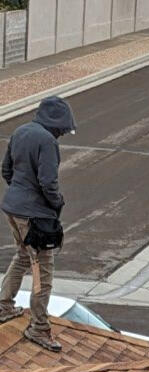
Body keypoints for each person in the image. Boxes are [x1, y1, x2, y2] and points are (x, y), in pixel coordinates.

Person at [0, 96, 76, 352]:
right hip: (34, 215)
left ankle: (3, 305)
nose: (62, 135)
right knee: (43, 269)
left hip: (12, 208)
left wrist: (20, 195)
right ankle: (39, 328)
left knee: (22, 255)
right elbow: (48, 182)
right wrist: (56, 204)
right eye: (63, 130)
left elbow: (6, 169)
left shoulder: (21, 131)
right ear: (57, 123)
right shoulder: (47, 141)